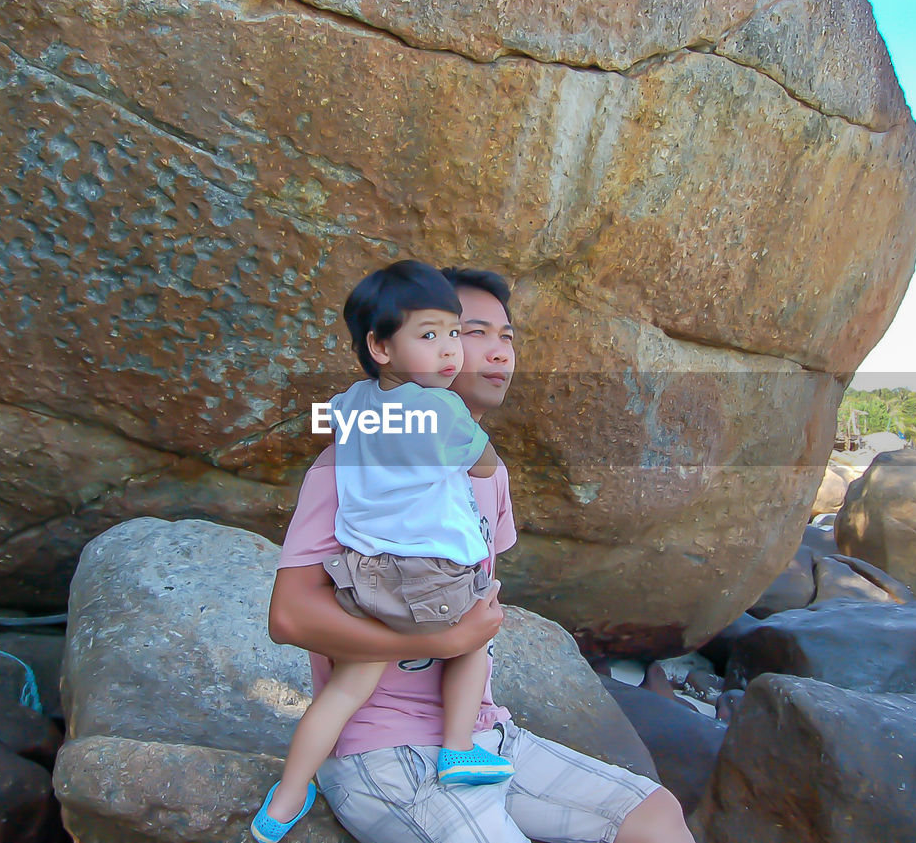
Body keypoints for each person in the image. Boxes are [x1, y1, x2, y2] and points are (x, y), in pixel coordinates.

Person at [268, 265, 697, 843]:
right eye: (470, 333)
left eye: (507, 337)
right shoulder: (349, 465)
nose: (497, 353)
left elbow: (477, 597)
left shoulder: (489, 477)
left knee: (653, 812)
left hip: (482, 738)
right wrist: (436, 643)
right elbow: (289, 616)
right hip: (385, 749)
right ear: (390, 348)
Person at [252, 261, 514, 843]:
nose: (450, 352)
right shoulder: (443, 411)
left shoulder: (350, 403)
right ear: (380, 345)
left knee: (347, 688)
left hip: (360, 576)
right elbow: (484, 464)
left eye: (453, 333)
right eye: (431, 335)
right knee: (479, 624)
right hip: (429, 577)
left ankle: (286, 799)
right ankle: (458, 747)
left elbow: (331, 425)